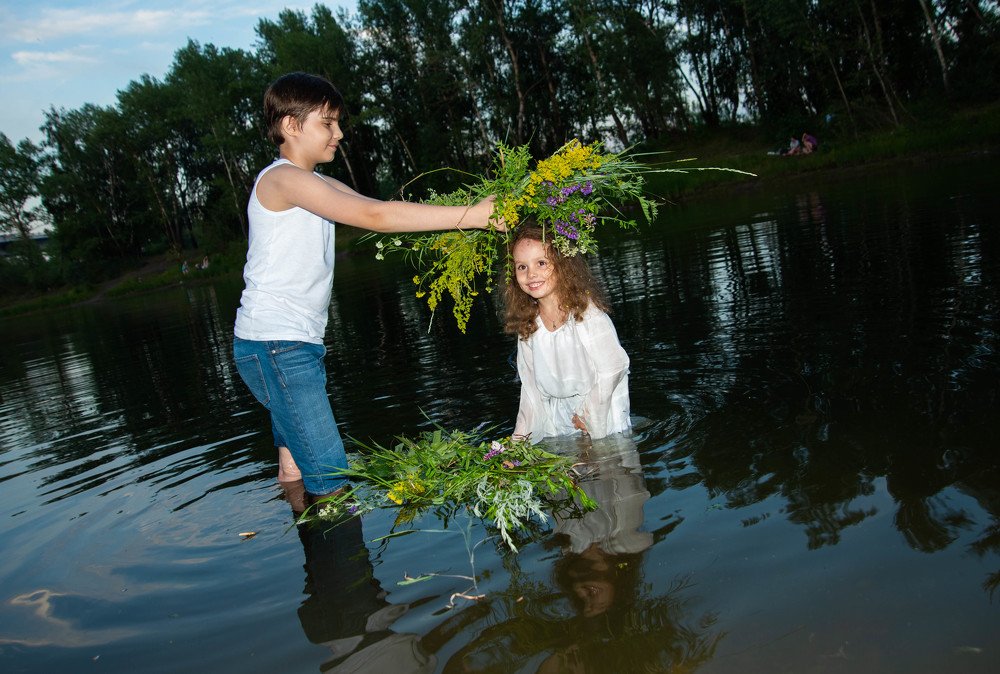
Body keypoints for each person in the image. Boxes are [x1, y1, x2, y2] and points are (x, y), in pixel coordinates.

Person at [233, 72, 500, 500]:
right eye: (328, 123)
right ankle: (343, 562)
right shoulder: (282, 180)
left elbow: (376, 208)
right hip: (277, 346)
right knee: (334, 481)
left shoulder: (315, 184)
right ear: (290, 125)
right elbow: (377, 219)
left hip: (284, 345)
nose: (339, 133)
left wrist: (468, 209)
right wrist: (475, 216)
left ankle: (302, 531)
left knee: (294, 467)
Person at [503, 224, 630, 441]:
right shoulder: (528, 324)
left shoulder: (586, 314)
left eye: (541, 263)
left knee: (605, 469)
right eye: (521, 267)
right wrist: (518, 442)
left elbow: (614, 367)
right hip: (557, 422)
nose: (531, 274)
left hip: (600, 414)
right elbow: (531, 390)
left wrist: (588, 415)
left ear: (562, 264)